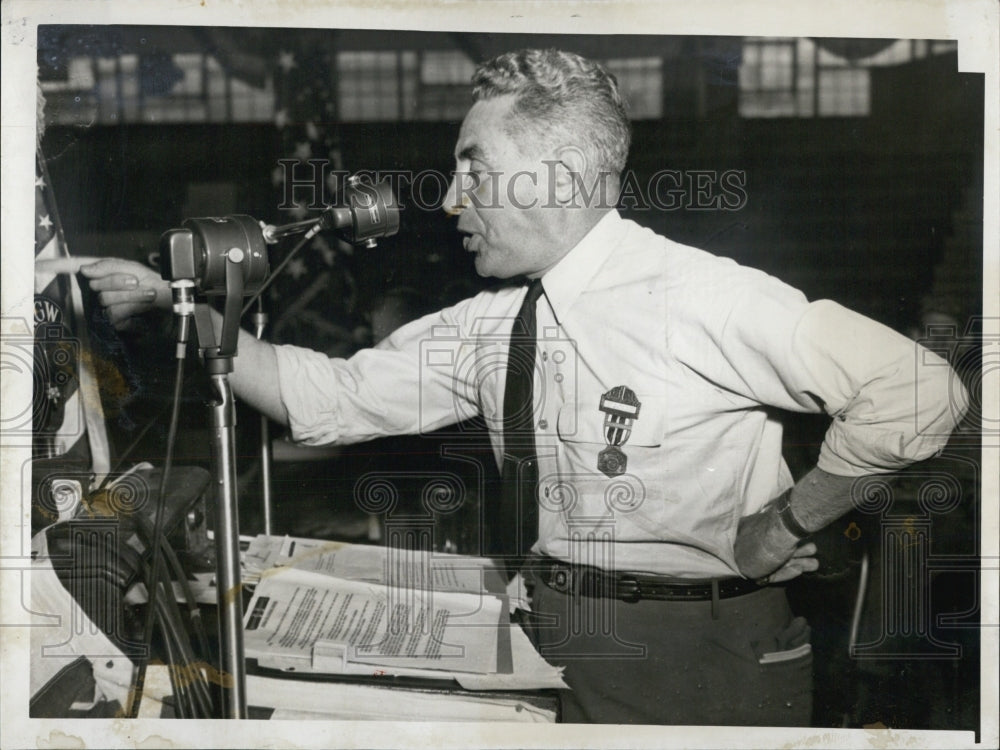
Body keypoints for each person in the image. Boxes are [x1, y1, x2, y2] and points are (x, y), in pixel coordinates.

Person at [81, 48, 966, 725]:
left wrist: (788, 523)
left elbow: (920, 391)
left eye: (475, 167)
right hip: (544, 641)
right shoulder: (494, 321)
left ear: (563, 176)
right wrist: (175, 303)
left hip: (697, 661)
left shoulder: (702, 296)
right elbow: (328, 397)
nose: (452, 199)